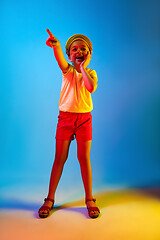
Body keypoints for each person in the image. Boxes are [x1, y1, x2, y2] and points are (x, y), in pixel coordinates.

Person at [38, 29, 100, 218]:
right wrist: (56, 46)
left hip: (84, 120)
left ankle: (89, 199)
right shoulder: (67, 71)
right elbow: (60, 61)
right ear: (69, 54)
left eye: (83, 49)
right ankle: (49, 198)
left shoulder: (90, 73)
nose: (78, 52)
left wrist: (83, 68)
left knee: (84, 159)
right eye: (74, 49)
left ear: (89, 53)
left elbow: (90, 87)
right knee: (60, 158)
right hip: (65, 119)